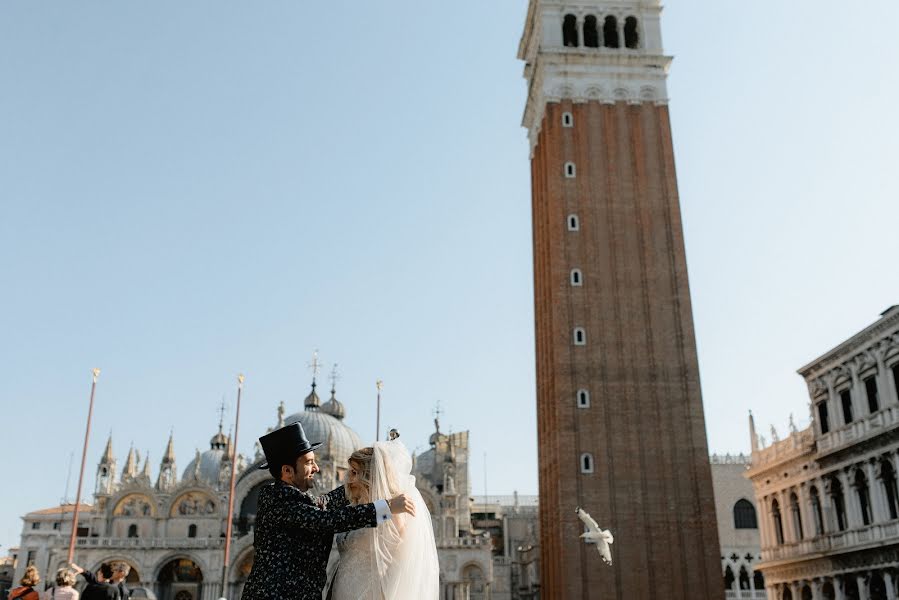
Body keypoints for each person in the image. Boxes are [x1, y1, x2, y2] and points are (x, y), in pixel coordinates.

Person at [240, 422, 417, 600]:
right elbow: (326, 519)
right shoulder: (277, 498)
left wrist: (358, 481)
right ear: (287, 471)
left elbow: (324, 503)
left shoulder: (292, 499)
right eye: (309, 462)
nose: (316, 468)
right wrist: (385, 508)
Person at [327, 439, 439, 599]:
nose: (347, 479)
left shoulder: (392, 512)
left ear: (369, 476)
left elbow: (398, 564)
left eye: (354, 472)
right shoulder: (353, 510)